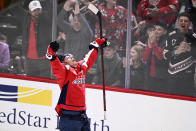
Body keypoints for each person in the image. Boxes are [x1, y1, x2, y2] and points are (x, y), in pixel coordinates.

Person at [46, 38, 107, 131]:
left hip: (82, 114)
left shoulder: (81, 68)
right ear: (64, 62)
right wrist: (52, 54)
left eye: (71, 56)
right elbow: (56, 66)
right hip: (69, 117)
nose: (72, 57)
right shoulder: (64, 72)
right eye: (68, 57)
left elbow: (89, 58)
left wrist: (96, 45)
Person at [163, 12, 196, 96]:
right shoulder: (171, 36)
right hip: (173, 75)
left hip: (188, 76)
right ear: (178, 22)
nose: (183, 23)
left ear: (190, 23)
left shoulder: (194, 37)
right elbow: (165, 56)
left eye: (185, 21)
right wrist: (176, 52)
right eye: (181, 20)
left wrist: (190, 50)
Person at [21, 0, 52, 78]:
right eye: (34, 10)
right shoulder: (25, 19)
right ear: (30, 11)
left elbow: (51, 7)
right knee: (30, 81)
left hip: (43, 58)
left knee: (45, 81)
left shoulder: (46, 19)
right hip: (29, 59)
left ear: (41, 10)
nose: (37, 12)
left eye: (38, 9)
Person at [142, 22, 169, 93]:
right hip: (149, 75)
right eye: (155, 29)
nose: (156, 31)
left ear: (165, 32)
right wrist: (149, 45)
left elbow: (160, 57)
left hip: (161, 77)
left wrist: (153, 42)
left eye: (159, 29)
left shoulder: (166, 42)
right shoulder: (150, 40)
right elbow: (145, 58)